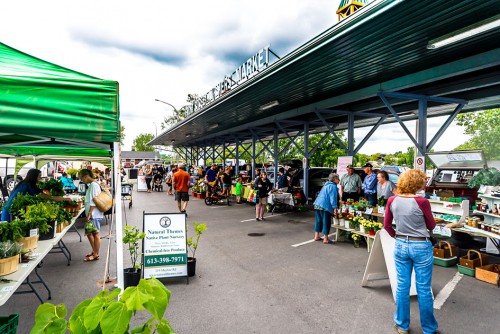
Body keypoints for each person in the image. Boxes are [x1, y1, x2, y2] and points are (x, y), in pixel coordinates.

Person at [383, 170, 438, 334]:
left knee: (402, 286)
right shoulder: (422, 202)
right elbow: (431, 226)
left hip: (401, 244)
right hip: (421, 245)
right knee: (423, 288)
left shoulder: (392, 200)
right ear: (416, 184)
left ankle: (402, 325)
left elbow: (387, 226)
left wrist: (397, 236)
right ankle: (428, 328)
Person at [1, 169, 71, 222]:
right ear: (34, 177)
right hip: (10, 213)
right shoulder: (28, 186)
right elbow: (48, 197)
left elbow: (45, 194)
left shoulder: (24, 183)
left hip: (8, 210)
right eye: (39, 176)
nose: (40, 178)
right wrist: (65, 199)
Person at [78, 169, 104, 262]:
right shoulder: (93, 184)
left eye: (81, 178)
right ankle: (94, 252)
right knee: (90, 233)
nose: (82, 180)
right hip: (93, 213)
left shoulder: (93, 185)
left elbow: (94, 201)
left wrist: (89, 214)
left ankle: (96, 254)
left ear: (85, 176)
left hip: (94, 214)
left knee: (95, 233)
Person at [313, 173, 340, 244]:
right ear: (334, 179)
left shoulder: (326, 185)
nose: (339, 180)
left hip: (318, 203)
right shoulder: (333, 186)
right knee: (326, 221)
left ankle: (316, 236)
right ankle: (325, 239)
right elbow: (333, 198)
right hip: (325, 205)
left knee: (318, 220)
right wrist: (335, 208)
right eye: (338, 178)